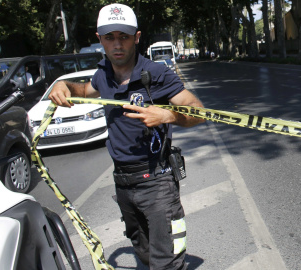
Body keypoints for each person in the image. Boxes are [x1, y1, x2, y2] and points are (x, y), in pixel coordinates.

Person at [48, 3, 205, 269]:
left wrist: (168, 115)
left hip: (157, 182)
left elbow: (199, 112)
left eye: (124, 36)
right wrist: (62, 85)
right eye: (110, 37)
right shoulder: (103, 75)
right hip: (122, 182)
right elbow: (83, 91)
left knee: (167, 261)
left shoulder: (157, 74)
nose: (117, 44)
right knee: (143, 252)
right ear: (100, 40)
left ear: (137, 37)